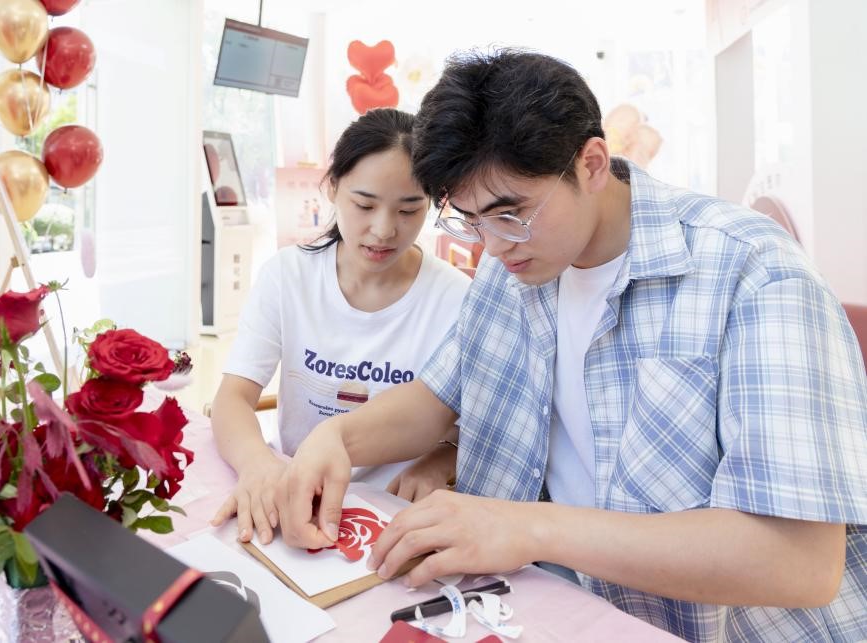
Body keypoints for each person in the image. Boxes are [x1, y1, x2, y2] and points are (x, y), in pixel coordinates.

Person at [276, 51, 867, 641]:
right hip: (542, 609)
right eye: (471, 220)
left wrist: (530, 528)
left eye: (511, 214)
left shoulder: (754, 274)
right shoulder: (512, 268)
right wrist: (338, 438)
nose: (492, 245)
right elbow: (435, 400)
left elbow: (800, 562)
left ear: (591, 164)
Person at [210, 108, 471, 545]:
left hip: (390, 516)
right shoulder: (287, 276)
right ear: (332, 186)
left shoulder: (456, 298)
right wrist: (258, 464)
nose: (383, 230)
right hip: (294, 496)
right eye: (364, 205)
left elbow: (474, 430)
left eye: (409, 210)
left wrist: (440, 461)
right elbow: (233, 397)